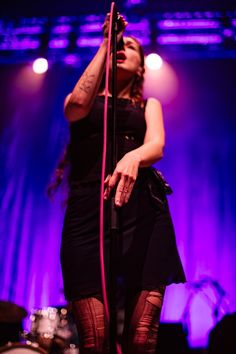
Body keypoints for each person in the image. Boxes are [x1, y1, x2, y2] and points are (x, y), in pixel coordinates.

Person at [59, 12, 186, 354]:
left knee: (142, 340)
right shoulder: (86, 103)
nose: (122, 47)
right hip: (88, 213)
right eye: (118, 45)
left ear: (142, 66)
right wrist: (106, 40)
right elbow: (75, 107)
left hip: (145, 211)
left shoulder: (149, 105)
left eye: (129, 46)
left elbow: (156, 145)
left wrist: (132, 157)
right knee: (95, 340)